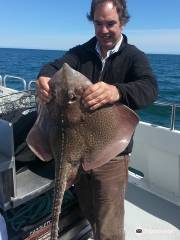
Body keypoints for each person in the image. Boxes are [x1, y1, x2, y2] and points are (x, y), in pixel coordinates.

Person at [36, 0, 158, 239]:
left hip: (111, 153)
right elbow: (54, 66)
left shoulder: (134, 57)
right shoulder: (81, 53)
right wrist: (44, 77)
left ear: (122, 22)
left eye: (110, 23)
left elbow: (149, 88)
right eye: (98, 23)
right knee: (89, 211)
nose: (104, 30)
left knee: (109, 225)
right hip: (77, 154)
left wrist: (117, 91)